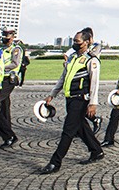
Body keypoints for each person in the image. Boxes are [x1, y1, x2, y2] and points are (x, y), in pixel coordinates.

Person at [40, 27, 104, 174]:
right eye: (74, 41)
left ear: (87, 42)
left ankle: (55, 162)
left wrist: (93, 103)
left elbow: (95, 83)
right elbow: (63, 78)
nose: (75, 43)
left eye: (78, 41)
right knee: (81, 127)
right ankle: (96, 151)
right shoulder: (73, 58)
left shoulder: (91, 60)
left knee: (68, 131)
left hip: (80, 100)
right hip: (70, 98)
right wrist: (52, 94)